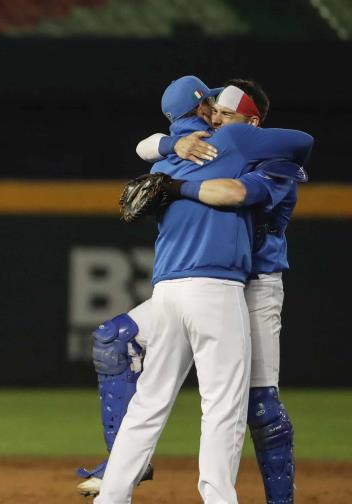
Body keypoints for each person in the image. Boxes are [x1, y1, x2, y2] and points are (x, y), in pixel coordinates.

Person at [80, 80, 302, 504]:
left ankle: (114, 495)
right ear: (202, 112)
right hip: (215, 287)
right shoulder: (217, 146)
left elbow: (154, 149)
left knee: (168, 402)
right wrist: (173, 146)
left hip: (209, 289)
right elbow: (149, 144)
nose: (217, 117)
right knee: (222, 405)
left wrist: (170, 162)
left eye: (225, 112)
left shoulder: (182, 163)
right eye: (212, 108)